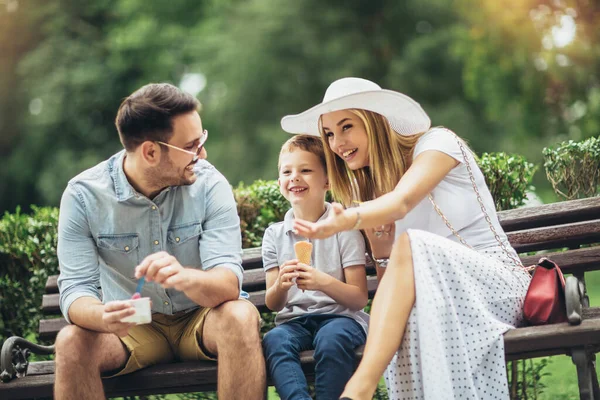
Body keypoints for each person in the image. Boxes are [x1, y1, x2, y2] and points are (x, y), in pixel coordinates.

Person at [281, 77, 531, 400]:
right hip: (438, 297)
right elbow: (391, 290)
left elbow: (402, 201)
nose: (337, 143)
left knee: (411, 244)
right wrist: (381, 251)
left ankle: (359, 389)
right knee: (410, 320)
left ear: (376, 121)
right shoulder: (370, 190)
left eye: (347, 127)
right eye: (329, 133)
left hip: (497, 284)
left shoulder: (437, 144)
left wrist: (348, 219)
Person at [55, 83, 265, 400]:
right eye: (192, 146)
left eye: (202, 141)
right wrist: (104, 317)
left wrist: (185, 276)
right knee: (71, 341)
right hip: (133, 330)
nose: (203, 154)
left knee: (241, 315)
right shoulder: (84, 196)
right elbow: (76, 290)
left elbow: (228, 283)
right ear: (151, 152)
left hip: (202, 319)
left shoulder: (210, 184)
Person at [261, 134, 370, 400]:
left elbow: (358, 299)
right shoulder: (274, 235)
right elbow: (273, 304)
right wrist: (281, 286)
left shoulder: (344, 230)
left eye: (306, 170)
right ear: (279, 183)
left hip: (342, 319)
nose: (295, 177)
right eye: (287, 171)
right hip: (295, 322)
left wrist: (323, 282)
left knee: (331, 339)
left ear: (328, 181)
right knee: (274, 340)